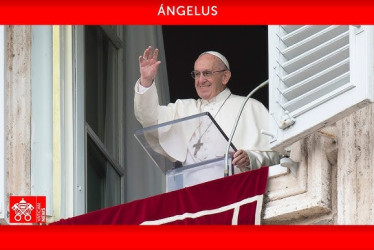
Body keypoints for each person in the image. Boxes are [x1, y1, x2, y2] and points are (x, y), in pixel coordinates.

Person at [134, 46, 280, 183]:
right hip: (193, 198)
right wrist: (146, 81)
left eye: (207, 73)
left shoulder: (249, 106)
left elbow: (278, 155)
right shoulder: (184, 108)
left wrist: (251, 158)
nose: (201, 80)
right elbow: (150, 119)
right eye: (197, 74)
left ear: (225, 77)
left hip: (237, 191)